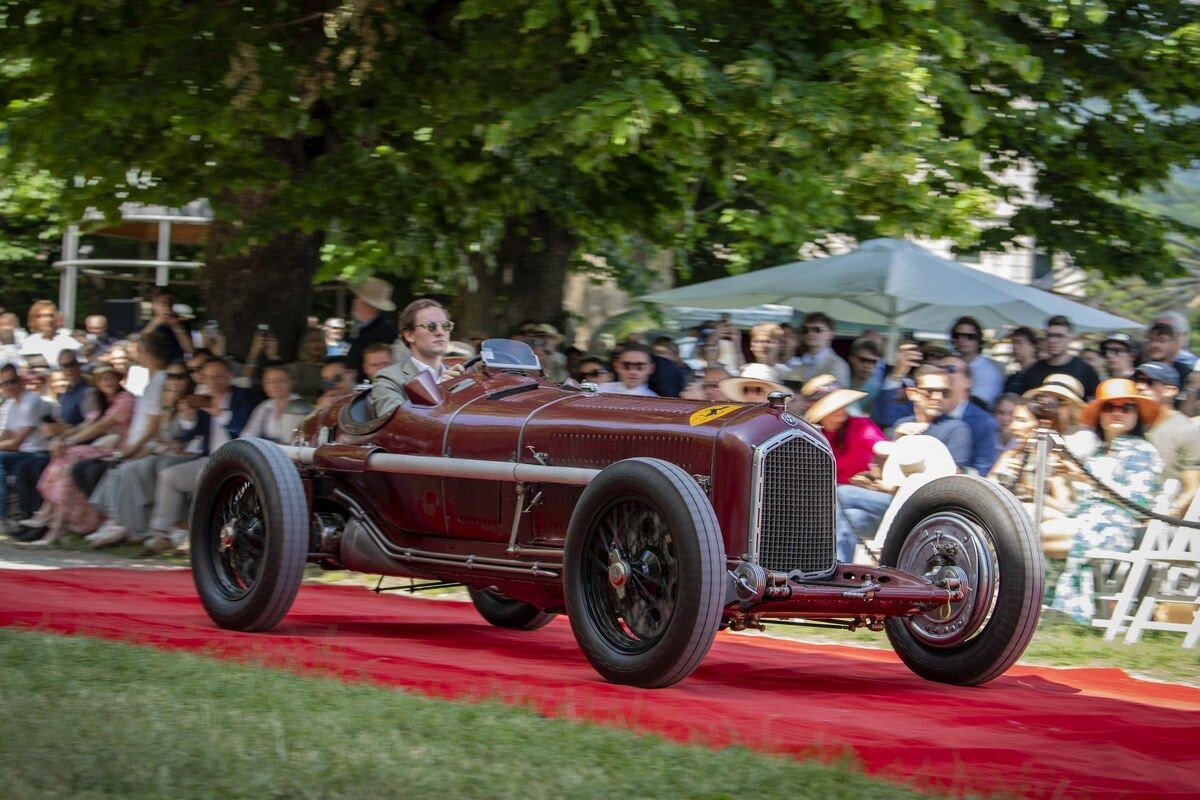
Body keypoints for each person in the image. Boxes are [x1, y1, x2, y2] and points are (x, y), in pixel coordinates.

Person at [1051, 379, 1163, 623]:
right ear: (1100, 414)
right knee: (1029, 528)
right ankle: (1044, 606)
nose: (1117, 412)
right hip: (1086, 517)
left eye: (1126, 407)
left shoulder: (1142, 451)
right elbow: (1083, 498)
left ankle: (1061, 610)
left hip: (1117, 525)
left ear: (1137, 415)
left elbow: (1138, 502)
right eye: (1110, 407)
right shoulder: (1099, 452)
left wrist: (1086, 479)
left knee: (1029, 538)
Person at [833, 366, 969, 562]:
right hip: (892, 505)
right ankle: (837, 573)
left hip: (927, 508)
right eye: (930, 391)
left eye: (944, 392)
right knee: (852, 518)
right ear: (912, 393)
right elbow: (885, 474)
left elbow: (952, 476)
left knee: (841, 494)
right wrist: (896, 442)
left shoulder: (957, 429)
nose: (937, 397)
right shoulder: (903, 424)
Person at [141, 357, 256, 553]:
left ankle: (196, 535)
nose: (212, 381)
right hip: (209, 458)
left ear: (230, 376)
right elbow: (191, 435)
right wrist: (189, 418)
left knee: (205, 474)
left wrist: (218, 412)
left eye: (218, 376)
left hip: (236, 460)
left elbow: (242, 431)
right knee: (169, 476)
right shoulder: (202, 395)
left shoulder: (244, 397)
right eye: (208, 377)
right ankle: (162, 532)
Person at [21, 366, 134, 545]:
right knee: (64, 458)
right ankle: (51, 515)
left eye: (110, 378)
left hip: (123, 449)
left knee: (71, 455)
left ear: (118, 379)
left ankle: (52, 520)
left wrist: (69, 442)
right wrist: (62, 437)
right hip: (104, 447)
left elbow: (102, 426)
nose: (106, 382)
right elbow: (86, 425)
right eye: (102, 379)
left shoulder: (125, 399)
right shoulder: (101, 400)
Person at [371, 299, 465, 416]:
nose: (440, 332)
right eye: (430, 326)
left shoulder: (461, 378)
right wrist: (439, 391)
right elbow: (395, 425)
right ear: (409, 335)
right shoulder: (389, 378)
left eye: (446, 326)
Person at [1133, 361, 1200, 517]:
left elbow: (1192, 488)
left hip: (1161, 523)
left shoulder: (1187, 430)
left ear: (1170, 391)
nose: (1140, 387)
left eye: (1149, 382)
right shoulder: (1131, 423)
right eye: (1138, 381)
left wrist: (1161, 519)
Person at [0, 363, 52, 534]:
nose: (9, 386)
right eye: (5, 383)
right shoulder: (11, 404)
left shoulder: (31, 401)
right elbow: (6, 435)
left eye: (12, 381)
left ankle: (2, 516)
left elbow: (17, 442)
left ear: (21, 380)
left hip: (35, 453)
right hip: (20, 453)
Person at [805, 382, 886, 486]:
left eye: (842, 406)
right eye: (834, 409)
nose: (841, 413)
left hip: (859, 492)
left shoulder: (859, 425)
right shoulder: (811, 436)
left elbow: (876, 441)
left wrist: (892, 449)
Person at [1017, 315, 1100, 400]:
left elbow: (1094, 403)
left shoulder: (1085, 371)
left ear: (1070, 338)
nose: (1053, 340)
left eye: (1059, 336)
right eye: (1050, 335)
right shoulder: (1033, 371)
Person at [240, 364, 313, 444]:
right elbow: (248, 434)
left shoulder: (303, 407)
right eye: (269, 381)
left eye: (281, 380)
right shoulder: (264, 407)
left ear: (292, 382)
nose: (275, 385)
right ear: (264, 387)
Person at [346, 277, 399, 381]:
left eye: (358, 299)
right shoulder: (365, 328)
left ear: (369, 305)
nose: (354, 302)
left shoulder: (384, 331)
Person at [950, 316, 1004, 407]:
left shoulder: (989, 372)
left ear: (979, 340)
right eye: (957, 336)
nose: (962, 340)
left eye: (969, 337)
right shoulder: (949, 364)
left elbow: (978, 403)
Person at [788, 312, 850, 385]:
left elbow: (839, 394)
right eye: (805, 330)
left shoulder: (838, 365)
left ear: (831, 334)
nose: (810, 333)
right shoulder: (799, 363)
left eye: (817, 330)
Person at [19, 300, 82, 366]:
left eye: (51, 316)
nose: (47, 320)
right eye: (42, 316)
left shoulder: (68, 341)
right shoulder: (29, 342)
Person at [140, 288, 193, 365]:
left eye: (170, 302)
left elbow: (190, 350)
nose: (167, 306)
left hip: (175, 365)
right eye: (163, 303)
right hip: (154, 366)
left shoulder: (181, 323)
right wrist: (154, 324)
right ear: (154, 304)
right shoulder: (147, 323)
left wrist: (176, 327)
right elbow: (139, 343)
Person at [1144, 320, 1193, 390]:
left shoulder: (1185, 373)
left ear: (1173, 344)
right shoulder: (1140, 370)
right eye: (1151, 339)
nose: (1154, 345)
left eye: (1162, 340)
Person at [845, 338, 883, 416]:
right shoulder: (841, 380)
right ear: (851, 358)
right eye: (863, 360)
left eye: (873, 362)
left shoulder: (877, 390)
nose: (867, 366)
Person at [719, 363, 787, 403]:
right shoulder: (735, 420)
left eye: (758, 390)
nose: (750, 394)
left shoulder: (779, 422)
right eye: (745, 390)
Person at [1002, 326, 1039, 396]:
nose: (1014, 347)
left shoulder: (1042, 375)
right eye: (1013, 343)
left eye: (1019, 342)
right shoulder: (1012, 378)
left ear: (1033, 347)